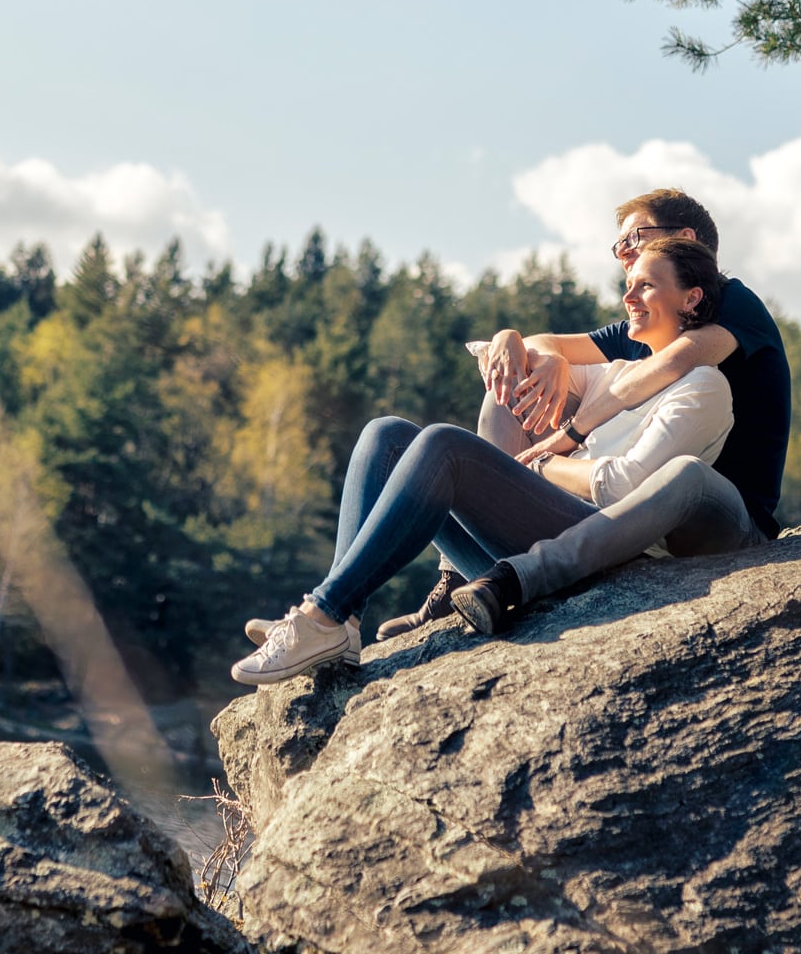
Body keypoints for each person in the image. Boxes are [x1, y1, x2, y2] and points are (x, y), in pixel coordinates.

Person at [230, 236, 738, 685]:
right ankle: (340, 619)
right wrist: (511, 342)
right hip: (534, 535)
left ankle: (322, 617)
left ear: (691, 298)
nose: (627, 297)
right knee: (386, 436)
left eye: (646, 286)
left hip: (602, 556)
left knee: (445, 447)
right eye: (627, 284)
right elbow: (527, 369)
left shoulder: (704, 386)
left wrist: (534, 468)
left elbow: (626, 486)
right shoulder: (617, 374)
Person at [377, 187, 792, 639]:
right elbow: (543, 346)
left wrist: (568, 437)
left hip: (723, 517)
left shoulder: (732, 303)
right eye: (619, 249)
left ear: (686, 239)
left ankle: (517, 571)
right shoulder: (644, 318)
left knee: (683, 473)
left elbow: (675, 362)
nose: (624, 255)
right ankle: (466, 566)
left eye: (635, 239)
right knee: (514, 382)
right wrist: (528, 346)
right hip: (636, 518)